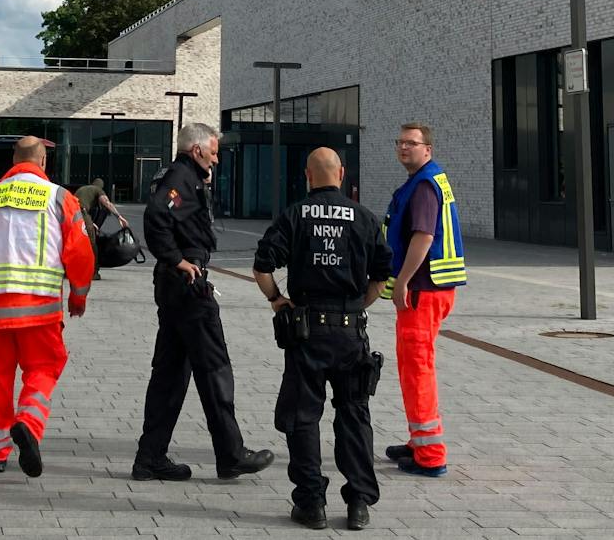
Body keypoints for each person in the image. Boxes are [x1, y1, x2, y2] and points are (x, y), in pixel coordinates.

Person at [252, 148, 390, 531]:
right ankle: (359, 501)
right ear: (341, 174)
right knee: (354, 415)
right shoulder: (364, 218)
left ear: (308, 175)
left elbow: (262, 267)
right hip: (350, 332)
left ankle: (311, 503)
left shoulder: (294, 215)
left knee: (303, 417)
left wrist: (278, 301)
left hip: (306, 331)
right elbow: (381, 277)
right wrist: (357, 304)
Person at [133, 122, 274, 483]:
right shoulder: (181, 178)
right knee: (214, 369)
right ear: (196, 150)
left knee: (170, 375)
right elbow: (157, 216)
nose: (216, 157)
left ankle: (150, 458)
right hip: (188, 286)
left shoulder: (186, 177)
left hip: (174, 288)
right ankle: (230, 454)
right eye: (212, 151)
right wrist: (176, 259)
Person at [0, 136, 96, 475]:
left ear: (13, 160)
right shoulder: (60, 197)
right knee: (44, 368)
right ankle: (28, 422)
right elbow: (80, 252)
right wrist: (78, 295)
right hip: (40, 308)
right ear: (43, 162)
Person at [382, 123, 466, 477]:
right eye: (400, 142)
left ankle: (430, 455)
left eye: (411, 143)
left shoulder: (423, 188)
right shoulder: (428, 180)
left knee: (417, 370)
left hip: (422, 290)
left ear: (427, 149)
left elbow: (423, 237)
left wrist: (401, 282)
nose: (404, 148)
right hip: (432, 289)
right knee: (413, 367)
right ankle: (419, 440)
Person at [77, 176, 131, 279]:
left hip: (71, 213)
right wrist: (119, 217)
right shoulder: (98, 190)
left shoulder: (84, 189)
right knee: (92, 244)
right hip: (82, 213)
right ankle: (94, 272)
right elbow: (107, 203)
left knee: (75, 242)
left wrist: (91, 223)